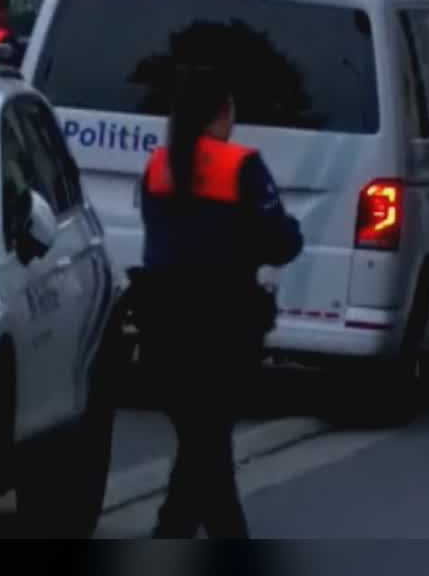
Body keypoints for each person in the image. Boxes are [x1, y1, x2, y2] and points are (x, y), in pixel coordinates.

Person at [134, 65, 303, 539]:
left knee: (200, 447)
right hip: (223, 331)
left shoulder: (158, 165)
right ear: (222, 113)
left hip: (164, 328)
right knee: (207, 449)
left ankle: (175, 533)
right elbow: (279, 242)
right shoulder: (241, 166)